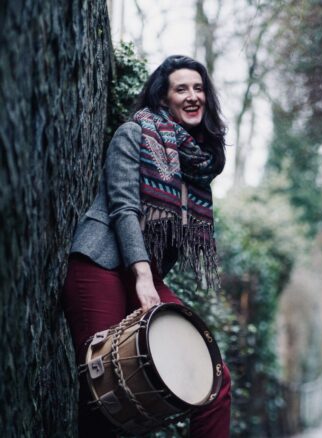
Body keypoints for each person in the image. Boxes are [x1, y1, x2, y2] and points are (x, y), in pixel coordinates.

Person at [62, 55, 231, 437]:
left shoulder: (197, 162)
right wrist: (141, 275)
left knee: (215, 381)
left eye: (199, 88)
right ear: (164, 96)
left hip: (145, 274)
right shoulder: (134, 133)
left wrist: (146, 276)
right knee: (103, 387)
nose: (192, 96)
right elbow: (124, 207)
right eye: (181, 88)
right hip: (102, 264)